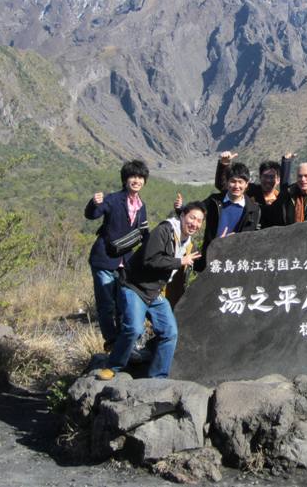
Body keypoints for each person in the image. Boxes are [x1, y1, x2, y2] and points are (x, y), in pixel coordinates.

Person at [97, 202, 206, 380]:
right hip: (134, 287)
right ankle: (113, 366)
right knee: (133, 328)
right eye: (192, 217)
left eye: (199, 220)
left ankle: (158, 378)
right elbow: (150, 259)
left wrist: (220, 243)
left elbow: (196, 262)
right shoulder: (165, 230)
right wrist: (179, 262)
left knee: (169, 333)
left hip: (155, 292)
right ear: (182, 215)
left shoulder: (187, 242)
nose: (195, 223)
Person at [85, 160, 158, 351]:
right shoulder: (112, 199)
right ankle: (111, 341)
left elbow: (144, 233)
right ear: (125, 180)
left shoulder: (141, 206)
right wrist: (94, 203)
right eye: (133, 177)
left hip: (125, 262)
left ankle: (125, 343)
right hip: (104, 259)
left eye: (140, 177)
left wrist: (154, 252)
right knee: (106, 304)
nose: (137, 180)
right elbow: (92, 215)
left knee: (123, 303)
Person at [196, 162, 261, 271]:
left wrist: (233, 241)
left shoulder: (253, 210)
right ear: (226, 182)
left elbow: (248, 239)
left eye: (240, 182)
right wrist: (181, 209)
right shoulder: (214, 201)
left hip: (236, 263)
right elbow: (196, 212)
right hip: (210, 259)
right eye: (233, 181)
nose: (236, 186)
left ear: (246, 184)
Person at [215, 151, 294, 228]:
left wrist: (286, 163)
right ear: (260, 177)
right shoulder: (250, 191)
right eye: (265, 176)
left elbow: (286, 189)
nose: (268, 180)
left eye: (272, 177)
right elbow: (223, 186)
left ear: (278, 180)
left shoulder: (281, 199)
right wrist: (224, 164)